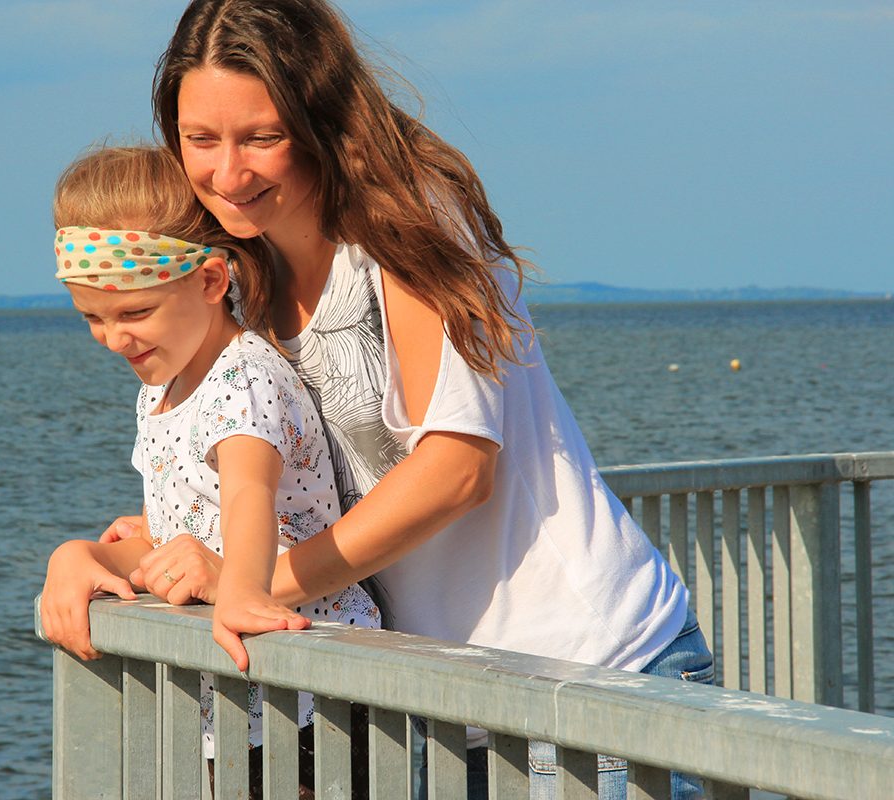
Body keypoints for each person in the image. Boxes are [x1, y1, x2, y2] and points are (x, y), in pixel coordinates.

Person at [45, 1, 715, 797]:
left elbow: (457, 468)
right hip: (439, 700)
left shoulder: (409, 224)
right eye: (201, 140)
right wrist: (85, 558)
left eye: (263, 136)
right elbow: (276, 491)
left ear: (320, 117)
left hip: (588, 676)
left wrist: (250, 585)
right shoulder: (242, 281)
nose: (228, 173)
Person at [40, 144, 380, 795]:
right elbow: (180, 543)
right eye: (93, 318)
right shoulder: (162, 390)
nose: (114, 339)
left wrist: (245, 590)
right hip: (241, 699)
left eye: (135, 313)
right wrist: (82, 558)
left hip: (313, 698)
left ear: (210, 281)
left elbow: (248, 492)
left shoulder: (244, 377)